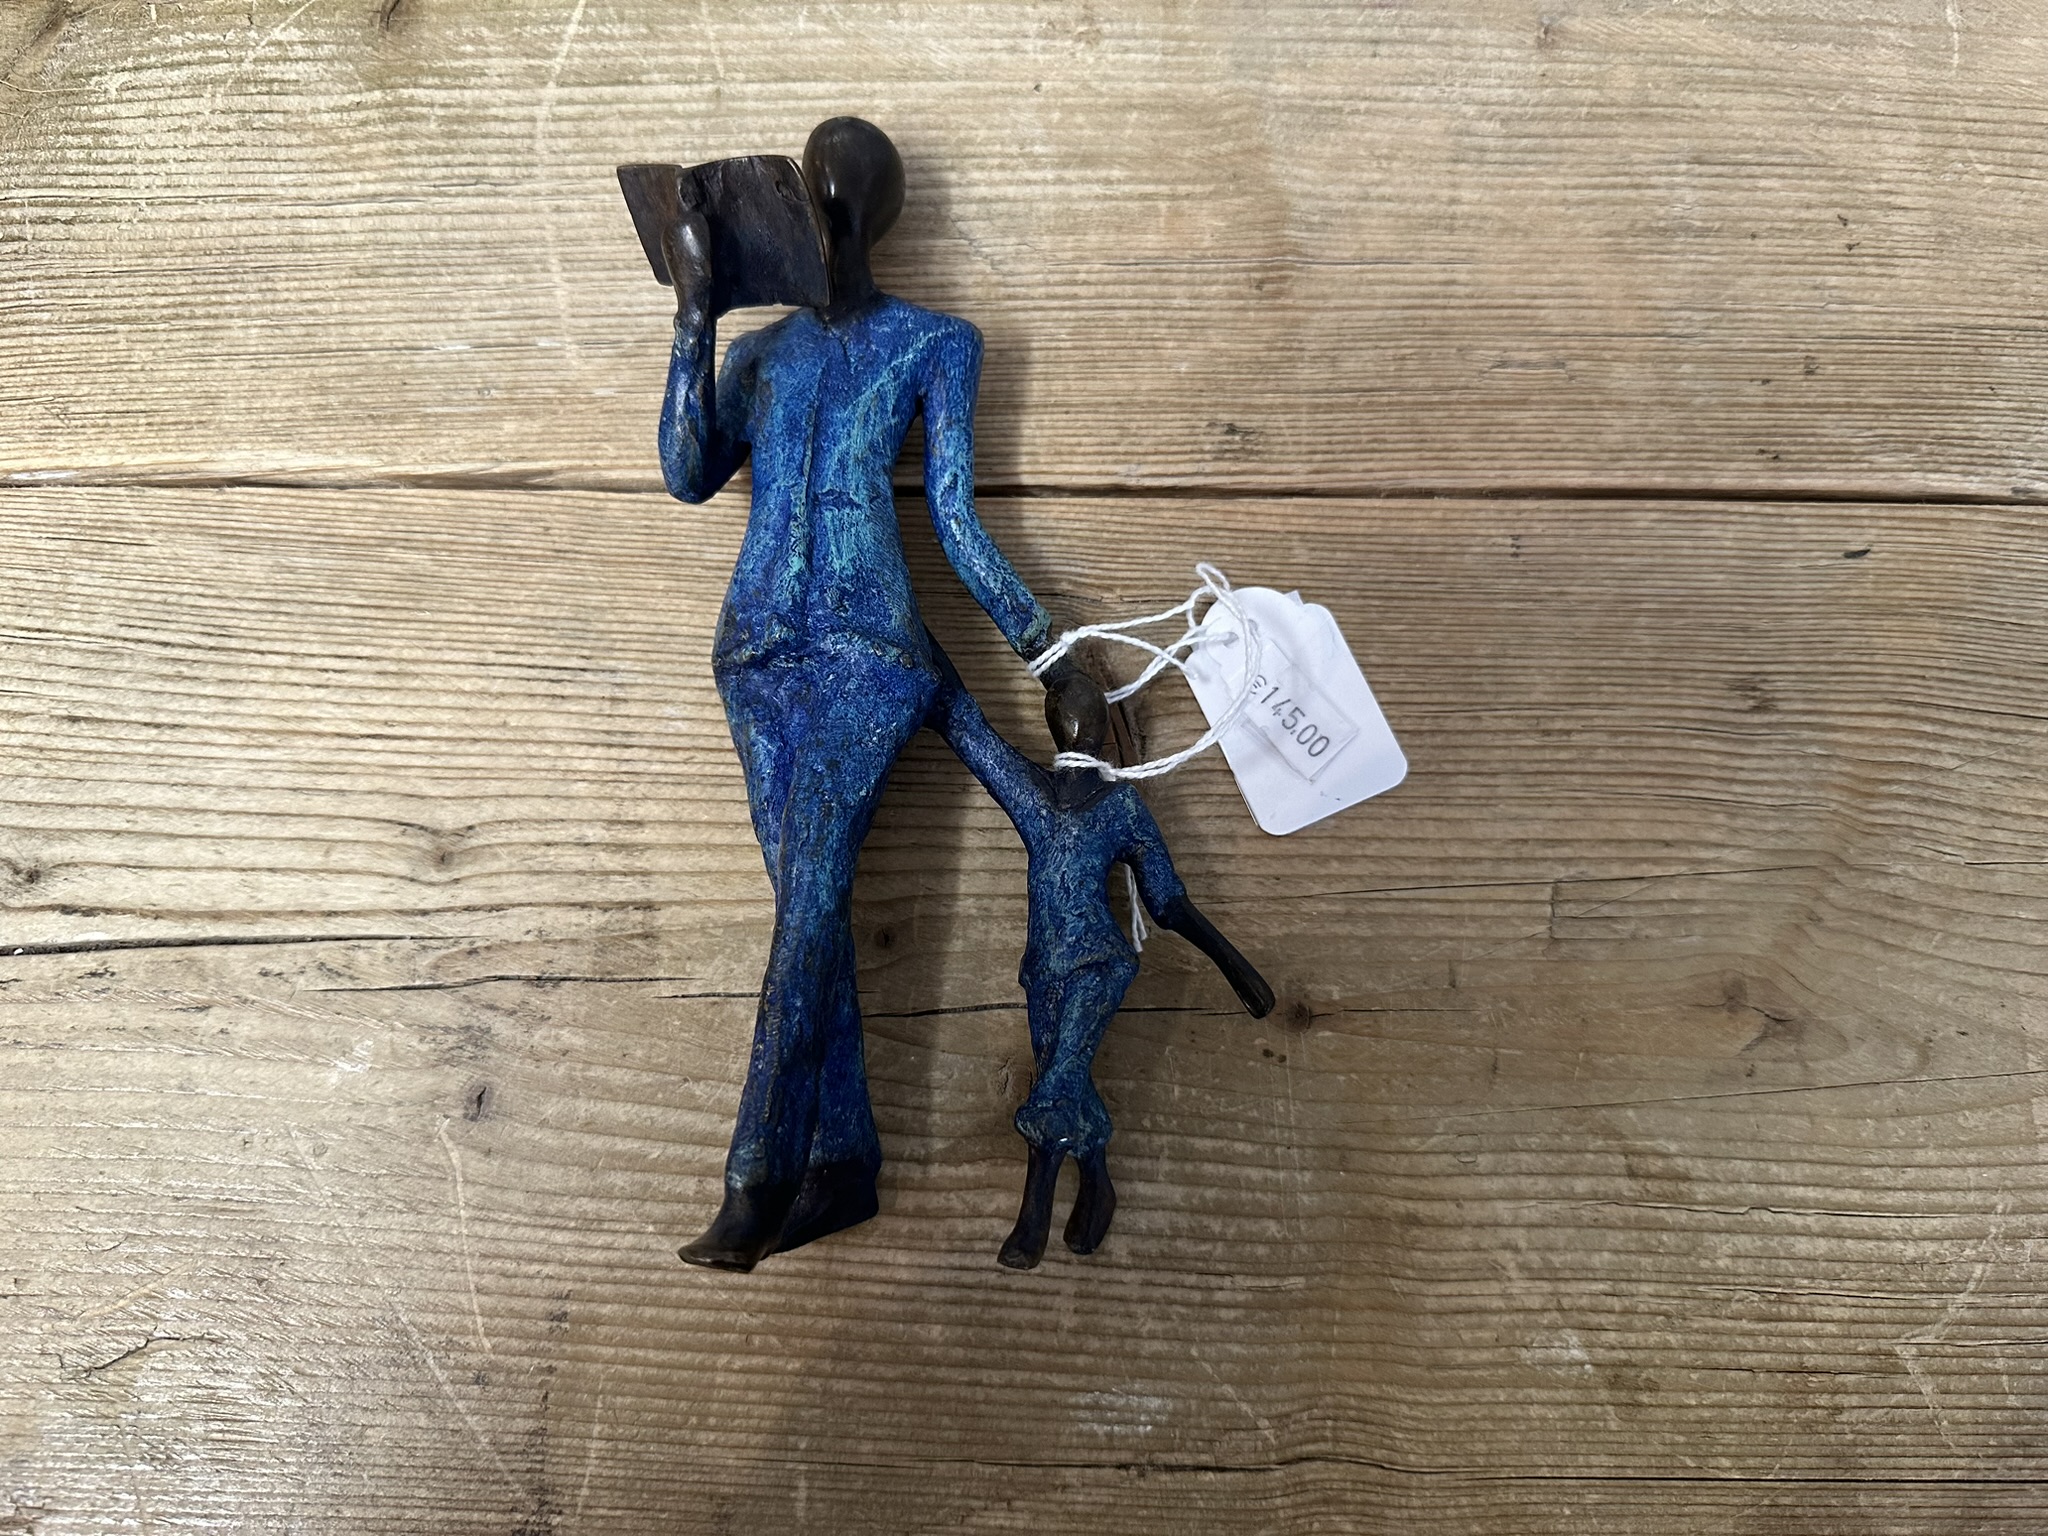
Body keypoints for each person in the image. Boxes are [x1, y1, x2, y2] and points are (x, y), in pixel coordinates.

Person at [659, 117, 1107, 1271]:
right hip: (753, 652)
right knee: (806, 910)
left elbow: (956, 523)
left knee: (808, 903)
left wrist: (1049, 652)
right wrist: (694, 312)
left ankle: (753, 1174)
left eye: (837, 201)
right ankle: (842, 1164)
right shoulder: (759, 353)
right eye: (806, 200)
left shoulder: (935, 342)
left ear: (869, 217)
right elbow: (686, 473)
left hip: (869, 654)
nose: (822, 223)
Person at [928, 645, 1275, 1270]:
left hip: (1098, 966)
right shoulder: (1032, 794)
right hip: (1044, 970)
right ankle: (1097, 1182)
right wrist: (917, 639)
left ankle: (1032, 1215)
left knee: (1055, 1083)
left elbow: (1167, 901)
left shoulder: (1120, 808)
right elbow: (964, 725)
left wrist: (1234, 964)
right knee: (1067, 1076)